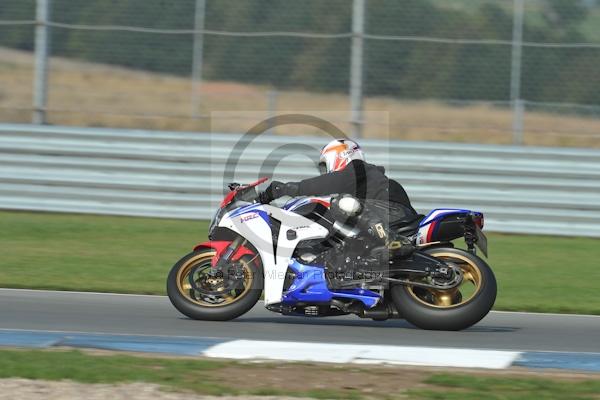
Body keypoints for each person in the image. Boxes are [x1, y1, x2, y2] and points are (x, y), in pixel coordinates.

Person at [258, 139, 418, 259]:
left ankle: (390, 240)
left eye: (324, 165)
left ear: (340, 155)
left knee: (341, 203)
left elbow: (329, 182)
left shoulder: (358, 168)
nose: (325, 171)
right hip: (385, 214)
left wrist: (288, 188)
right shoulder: (360, 179)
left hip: (394, 213)